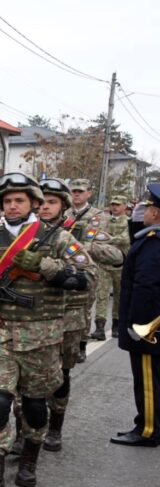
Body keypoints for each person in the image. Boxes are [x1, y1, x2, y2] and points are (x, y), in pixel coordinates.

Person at [0, 173, 91, 487]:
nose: (12, 206)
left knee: (36, 405)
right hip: (1, 336)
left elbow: (87, 278)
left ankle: (29, 459)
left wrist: (47, 267)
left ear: (34, 204)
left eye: (19, 200)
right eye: (7, 201)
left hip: (43, 338)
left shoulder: (60, 239)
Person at [34, 179, 117, 453]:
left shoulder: (75, 232)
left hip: (69, 312)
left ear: (64, 205)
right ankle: (27, 431)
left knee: (61, 373)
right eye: (41, 202)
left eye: (52, 202)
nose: (44, 207)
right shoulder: (23, 233)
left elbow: (104, 264)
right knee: (29, 375)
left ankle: (55, 427)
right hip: (32, 313)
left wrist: (86, 248)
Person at [112, 184, 160, 447]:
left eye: (148, 208)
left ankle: (148, 430)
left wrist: (139, 326)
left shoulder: (153, 242)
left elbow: (147, 287)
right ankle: (147, 423)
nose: (144, 212)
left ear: (155, 212)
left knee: (148, 381)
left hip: (148, 327)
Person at [65, 178, 106, 362]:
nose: (76, 194)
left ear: (89, 193)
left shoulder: (97, 215)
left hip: (85, 266)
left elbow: (92, 242)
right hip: (64, 267)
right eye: (74, 191)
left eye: (80, 191)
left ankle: (81, 344)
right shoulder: (64, 213)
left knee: (84, 308)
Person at [92, 195, 131, 339]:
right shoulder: (104, 220)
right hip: (104, 264)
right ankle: (100, 327)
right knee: (101, 295)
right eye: (112, 204)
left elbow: (126, 239)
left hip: (121, 264)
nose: (114, 207)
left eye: (118, 205)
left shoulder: (128, 222)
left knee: (119, 296)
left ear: (124, 206)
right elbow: (95, 234)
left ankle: (117, 326)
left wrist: (109, 239)